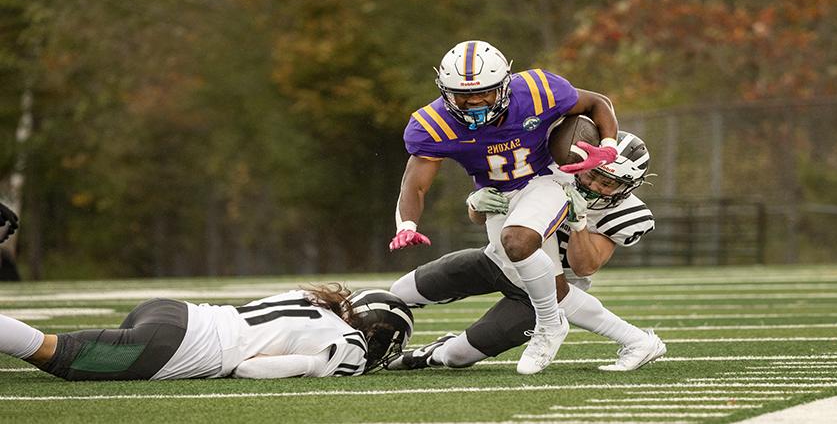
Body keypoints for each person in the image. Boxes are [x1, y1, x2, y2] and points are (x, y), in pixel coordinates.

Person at [389, 40, 619, 375]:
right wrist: (407, 225)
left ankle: (570, 327)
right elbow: (415, 182)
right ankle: (426, 348)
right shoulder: (433, 124)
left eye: (485, 92)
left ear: (505, 84)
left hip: (545, 183)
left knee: (520, 249)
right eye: (463, 95)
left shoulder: (539, 91)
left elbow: (597, 102)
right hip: (497, 202)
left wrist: (609, 145)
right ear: (444, 91)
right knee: (400, 295)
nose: (476, 102)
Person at [388, 131, 666, 372]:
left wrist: (578, 223)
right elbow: (481, 217)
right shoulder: (554, 171)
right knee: (398, 292)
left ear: (626, 188)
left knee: (456, 357)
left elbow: (585, 267)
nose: (594, 186)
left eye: (608, 184)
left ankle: (432, 353)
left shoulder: (627, 214)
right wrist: (476, 204)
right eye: (593, 174)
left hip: (547, 291)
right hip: (497, 260)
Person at [0, 284, 414, 380]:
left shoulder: (312, 299)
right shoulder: (350, 348)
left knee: (62, 349)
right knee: (51, 352)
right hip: (180, 346)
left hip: (171, 312)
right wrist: (309, 364)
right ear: (379, 337)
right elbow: (249, 371)